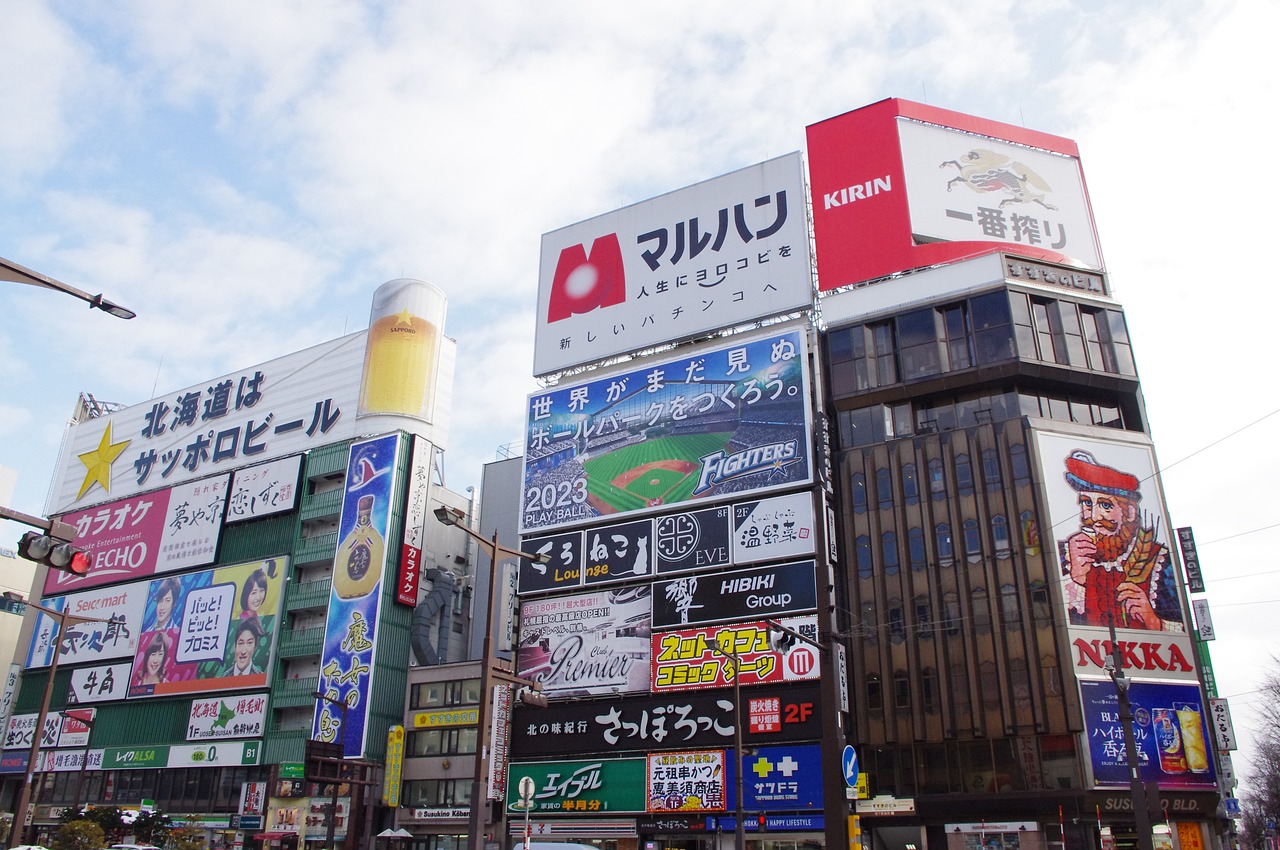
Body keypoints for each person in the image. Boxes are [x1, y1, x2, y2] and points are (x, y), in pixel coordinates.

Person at [1058, 450, 1183, 631]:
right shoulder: (1065, 555)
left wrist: (1155, 622)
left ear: (1130, 512)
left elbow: (1189, 633)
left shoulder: (1160, 562)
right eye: (1086, 503)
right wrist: (1075, 580)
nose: (1093, 516)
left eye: (1105, 505)